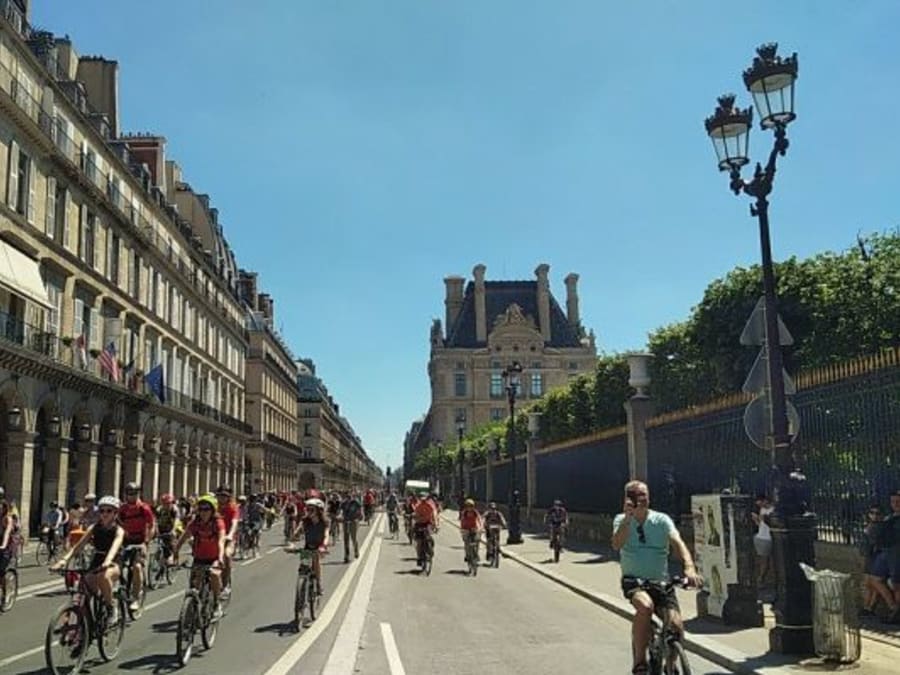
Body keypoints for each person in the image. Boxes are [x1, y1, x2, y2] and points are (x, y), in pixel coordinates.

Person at [611, 480, 701, 675]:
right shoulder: (621, 520)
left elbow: (678, 543)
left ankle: (670, 665)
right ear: (628, 499)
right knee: (645, 607)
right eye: (636, 495)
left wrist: (689, 568)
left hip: (661, 582)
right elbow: (616, 544)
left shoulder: (661, 520)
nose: (642, 499)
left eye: (644, 494)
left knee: (676, 626)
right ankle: (639, 661)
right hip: (634, 581)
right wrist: (628, 518)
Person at [51, 496, 126, 625]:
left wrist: (107, 561)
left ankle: (111, 607)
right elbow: (78, 547)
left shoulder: (119, 530)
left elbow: (115, 547)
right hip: (97, 560)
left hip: (113, 562)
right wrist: (63, 560)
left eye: (109, 511)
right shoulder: (94, 527)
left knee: (104, 577)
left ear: (115, 513)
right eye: (102, 511)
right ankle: (83, 627)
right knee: (83, 590)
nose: (104, 514)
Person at [171, 493, 226, 619]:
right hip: (199, 557)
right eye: (201, 509)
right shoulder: (195, 522)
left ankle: (217, 603)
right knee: (195, 586)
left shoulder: (217, 523)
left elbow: (221, 541)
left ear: (212, 510)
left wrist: (221, 557)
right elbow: (184, 536)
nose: (203, 512)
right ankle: (194, 608)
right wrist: (175, 552)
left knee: (214, 574)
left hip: (214, 558)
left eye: (206, 509)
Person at [118, 482, 155, 612]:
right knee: (116, 566)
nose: (131, 496)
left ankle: (135, 597)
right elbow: (118, 523)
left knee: (137, 567)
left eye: (134, 493)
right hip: (126, 541)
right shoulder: (122, 509)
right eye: (129, 493)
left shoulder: (144, 508)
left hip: (140, 541)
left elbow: (151, 525)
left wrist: (146, 542)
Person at [860, 504, 897, 617]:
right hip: (873, 557)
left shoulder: (879, 527)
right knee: (870, 583)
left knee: (873, 582)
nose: (875, 516)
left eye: (878, 513)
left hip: (877, 557)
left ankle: (890, 606)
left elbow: (873, 545)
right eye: (872, 513)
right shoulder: (872, 526)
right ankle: (869, 607)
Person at [292, 497, 329, 595]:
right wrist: (294, 536)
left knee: (316, 562)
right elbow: (298, 529)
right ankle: (301, 592)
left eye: (311, 509)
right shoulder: (305, 521)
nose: (308, 512)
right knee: (304, 566)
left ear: (318, 510)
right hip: (308, 546)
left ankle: (319, 584)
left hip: (319, 547)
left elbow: (326, 535)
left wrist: (323, 546)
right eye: (307, 509)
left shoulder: (324, 522)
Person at [879, 490, 900, 618]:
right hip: (891, 556)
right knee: (895, 584)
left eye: (898, 501)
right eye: (893, 501)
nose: (896, 504)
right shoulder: (889, 519)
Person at [215, 486, 240, 595]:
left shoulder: (233, 508)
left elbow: (234, 523)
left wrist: (230, 535)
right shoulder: (213, 507)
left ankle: (225, 585)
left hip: (229, 539)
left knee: (227, 555)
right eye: (220, 495)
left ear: (228, 497)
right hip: (213, 537)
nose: (222, 498)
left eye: (224, 496)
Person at [750, 494, 774, 591]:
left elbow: (770, 523)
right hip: (761, 537)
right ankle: (760, 580)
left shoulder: (772, 510)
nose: (758, 504)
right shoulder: (762, 510)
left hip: (767, 538)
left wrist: (764, 519)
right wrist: (757, 520)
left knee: (765, 562)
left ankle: (761, 580)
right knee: (764, 561)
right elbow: (761, 525)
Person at [413, 491, 437, 564]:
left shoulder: (430, 505)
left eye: (425, 499)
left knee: (429, 537)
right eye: (422, 499)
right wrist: (416, 518)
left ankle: (430, 549)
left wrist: (436, 524)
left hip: (428, 523)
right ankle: (419, 557)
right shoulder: (418, 505)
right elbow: (416, 514)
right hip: (420, 523)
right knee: (419, 542)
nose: (423, 501)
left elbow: (434, 513)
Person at [155, 494, 180, 560]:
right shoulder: (159, 510)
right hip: (162, 529)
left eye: (169, 503)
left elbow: (177, 520)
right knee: (161, 545)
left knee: (172, 543)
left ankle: (174, 556)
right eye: (165, 503)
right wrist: (156, 531)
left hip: (171, 529)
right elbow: (156, 521)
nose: (167, 505)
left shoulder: (174, 509)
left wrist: (173, 530)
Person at [459, 499, 483, 564]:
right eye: (468, 506)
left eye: (471, 506)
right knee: (466, 542)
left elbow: (479, 519)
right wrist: (462, 529)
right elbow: (462, 520)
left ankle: (476, 554)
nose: (469, 507)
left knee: (477, 541)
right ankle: (467, 555)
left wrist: (480, 527)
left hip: (474, 528)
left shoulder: (475, 512)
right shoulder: (464, 513)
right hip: (466, 528)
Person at [341, 491, 362, 563]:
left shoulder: (356, 502)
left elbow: (360, 509)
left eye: (350, 497)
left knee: (353, 538)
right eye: (347, 497)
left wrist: (360, 515)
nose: (348, 498)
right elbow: (340, 511)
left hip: (353, 521)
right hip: (346, 522)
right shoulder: (343, 503)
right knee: (346, 539)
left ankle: (356, 551)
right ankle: (346, 555)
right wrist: (340, 516)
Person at [0, 499, 14, 599]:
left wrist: (3, 545)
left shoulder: (8, 519)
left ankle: (6, 593)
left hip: (7, 547)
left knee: (1, 572)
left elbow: (7, 533)